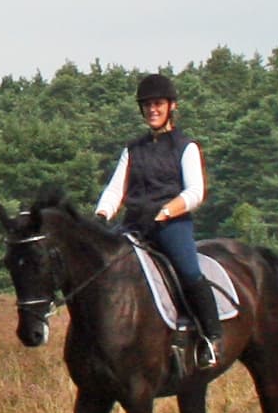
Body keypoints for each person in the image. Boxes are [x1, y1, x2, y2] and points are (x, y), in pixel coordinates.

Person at [94, 72, 224, 360]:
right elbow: (116, 189)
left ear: (171, 106)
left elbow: (195, 192)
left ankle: (210, 336)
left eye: (158, 104)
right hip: (133, 224)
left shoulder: (186, 147)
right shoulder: (133, 149)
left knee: (188, 270)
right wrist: (102, 215)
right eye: (147, 105)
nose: (152, 110)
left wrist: (167, 211)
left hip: (170, 224)